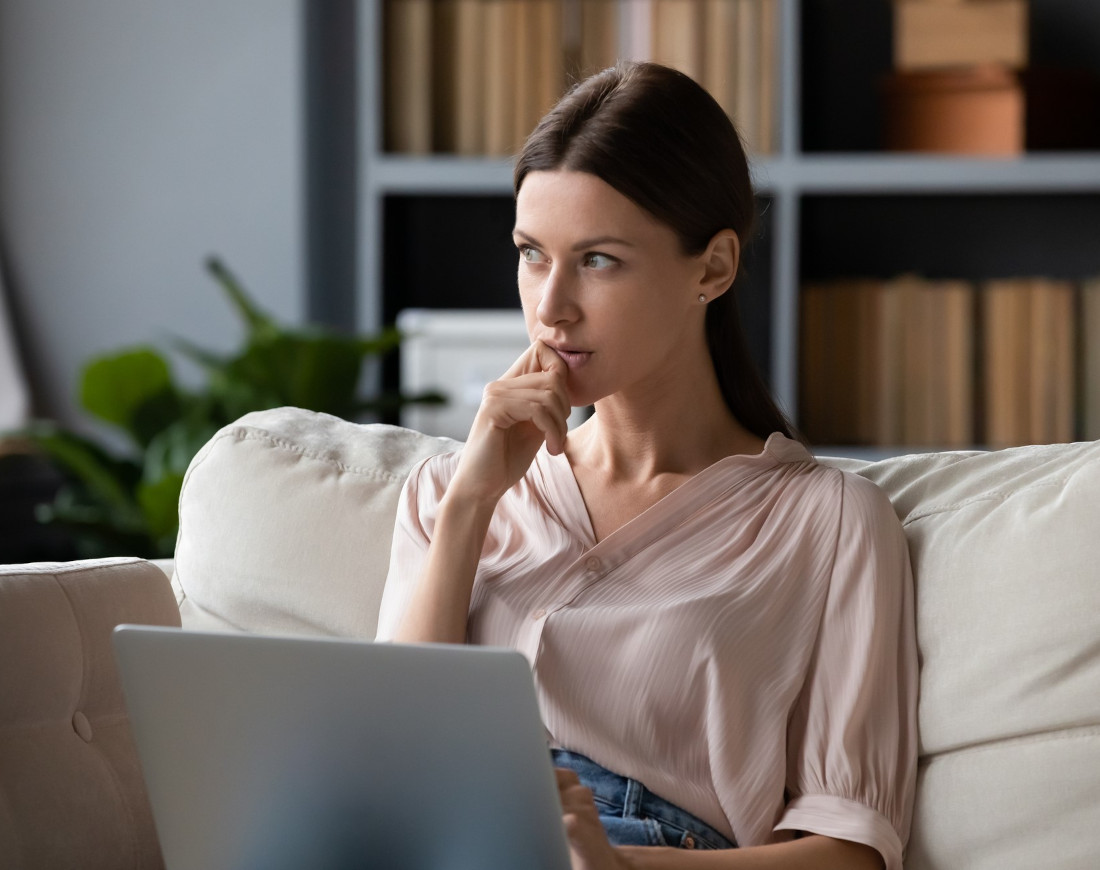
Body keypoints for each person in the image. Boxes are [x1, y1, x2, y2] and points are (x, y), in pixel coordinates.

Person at [377, 61, 917, 870]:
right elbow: (389, 759)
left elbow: (848, 854)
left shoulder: (827, 522)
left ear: (713, 267)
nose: (551, 305)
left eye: (597, 260)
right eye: (532, 254)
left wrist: (618, 865)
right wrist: (470, 505)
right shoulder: (452, 490)